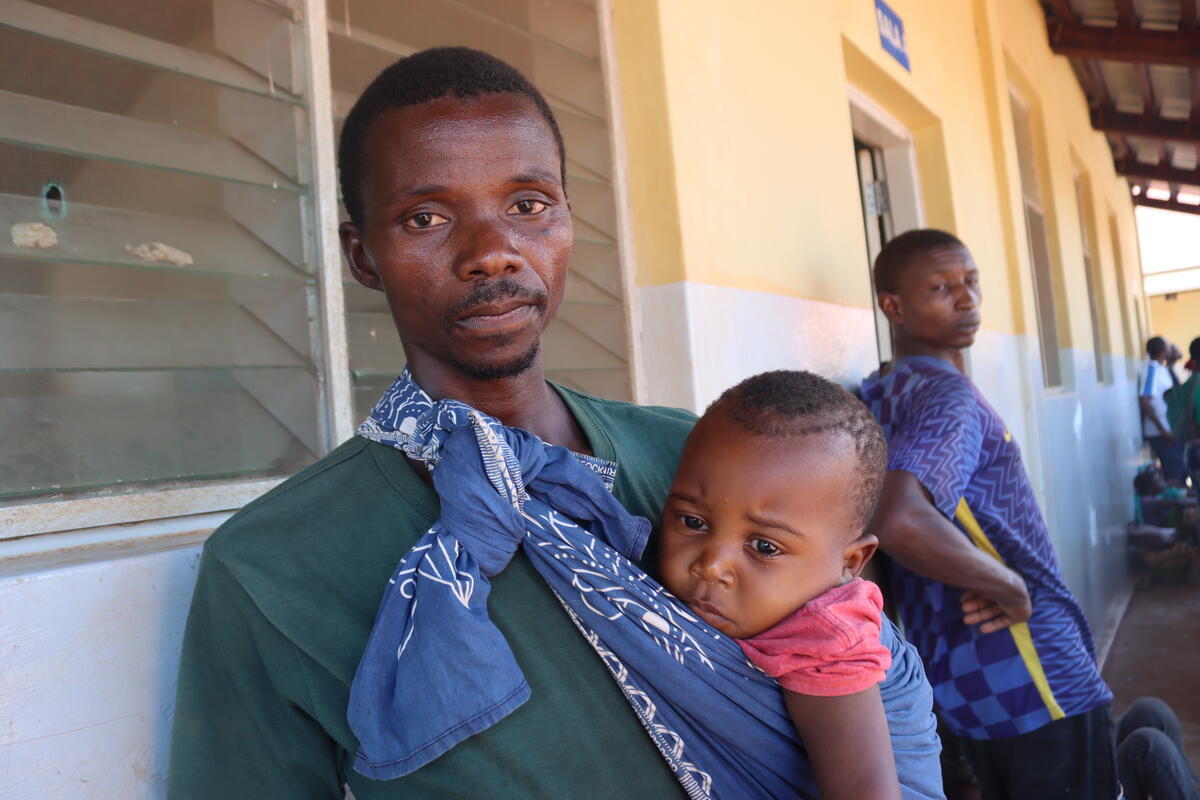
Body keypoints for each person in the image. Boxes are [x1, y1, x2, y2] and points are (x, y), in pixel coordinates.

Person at [167, 48, 702, 798]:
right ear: (363, 256)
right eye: (426, 218)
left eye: (528, 205)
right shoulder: (271, 567)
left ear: (568, 219)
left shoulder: (692, 457)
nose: (491, 253)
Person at [860, 229, 1116, 799]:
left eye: (971, 281)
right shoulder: (946, 395)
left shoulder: (880, 393)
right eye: (940, 287)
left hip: (963, 678)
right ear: (893, 307)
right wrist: (1011, 587)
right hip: (1031, 666)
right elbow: (899, 519)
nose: (966, 298)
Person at [658, 369, 944, 799]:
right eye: (693, 522)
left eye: (765, 547)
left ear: (850, 562)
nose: (712, 566)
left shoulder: (825, 637)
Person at [1143, 336, 1187, 486]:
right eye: (1168, 346)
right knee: (1174, 472)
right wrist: (1163, 430)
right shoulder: (1152, 369)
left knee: (1180, 468)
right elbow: (1145, 401)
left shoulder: (1161, 369)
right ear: (1163, 351)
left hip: (1168, 429)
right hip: (1160, 432)